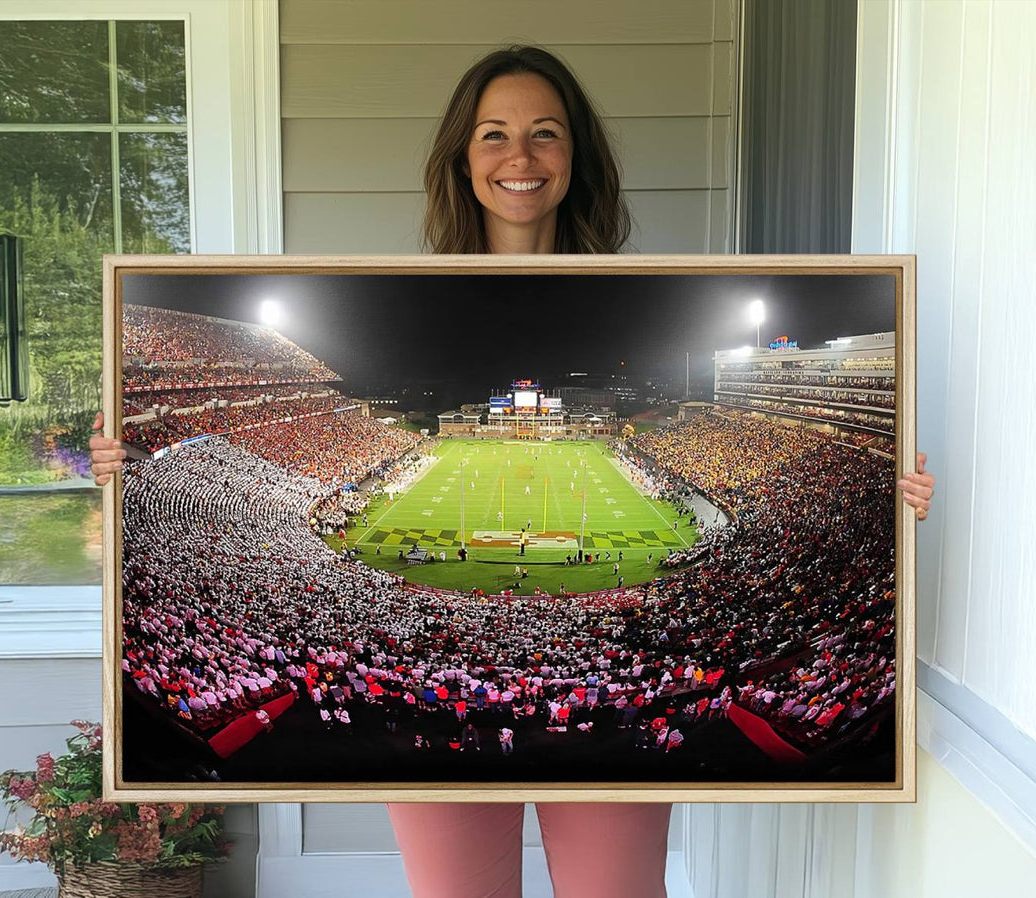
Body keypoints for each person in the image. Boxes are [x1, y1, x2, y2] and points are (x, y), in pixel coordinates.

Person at [90, 43, 937, 898]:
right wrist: (125, 467)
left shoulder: (643, 284)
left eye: (545, 133)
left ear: (577, 157)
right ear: (462, 157)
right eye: (493, 134)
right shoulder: (402, 280)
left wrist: (889, 499)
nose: (519, 157)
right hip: (526, 736)